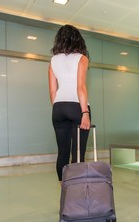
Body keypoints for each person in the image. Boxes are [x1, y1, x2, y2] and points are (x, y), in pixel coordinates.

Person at [48, 24, 91, 182]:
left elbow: (53, 91)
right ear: (77, 39)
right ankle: (77, 192)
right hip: (76, 106)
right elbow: (80, 87)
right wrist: (84, 113)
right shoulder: (81, 58)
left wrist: (59, 108)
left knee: (62, 153)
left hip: (58, 107)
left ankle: (65, 191)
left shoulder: (53, 61)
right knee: (78, 153)